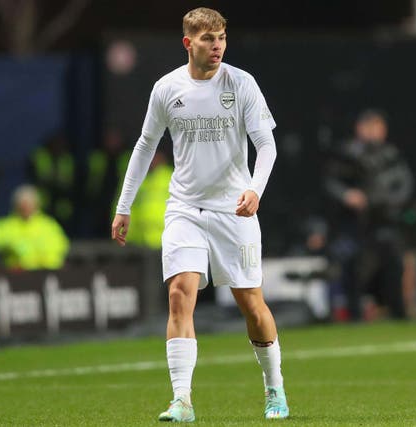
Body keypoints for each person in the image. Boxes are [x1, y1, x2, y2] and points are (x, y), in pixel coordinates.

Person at [111, 7, 289, 422]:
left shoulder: (241, 83)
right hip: (185, 208)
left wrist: (254, 190)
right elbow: (144, 147)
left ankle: (274, 387)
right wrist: (124, 206)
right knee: (179, 295)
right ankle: (182, 401)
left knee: (251, 303)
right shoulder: (166, 88)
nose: (218, 47)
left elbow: (267, 146)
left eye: (222, 38)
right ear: (188, 43)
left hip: (234, 210)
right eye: (209, 39)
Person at [324, 109, 414, 321]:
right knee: (354, 268)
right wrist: (347, 195)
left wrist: (389, 201)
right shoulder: (348, 154)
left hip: (385, 221)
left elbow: (405, 184)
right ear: (359, 128)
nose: (373, 132)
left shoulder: (391, 155)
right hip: (356, 224)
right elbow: (331, 183)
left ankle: (398, 313)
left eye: (378, 127)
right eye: (369, 127)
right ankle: (354, 315)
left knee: (394, 266)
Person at [0, 184, 69, 271]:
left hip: (45, 272)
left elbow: (60, 246)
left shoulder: (48, 225)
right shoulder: (7, 224)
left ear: (36, 204)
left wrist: (40, 260)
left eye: (29, 203)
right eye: (22, 203)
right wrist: (12, 245)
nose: (25, 207)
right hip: (15, 273)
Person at [27, 132, 76, 234]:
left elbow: (72, 183)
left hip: (62, 204)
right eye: (56, 143)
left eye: (61, 144)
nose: (58, 146)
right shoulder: (39, 156)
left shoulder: (67, 159)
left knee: (61, 231)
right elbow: (32, 177)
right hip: (43, 203)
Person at [125, 150, 173, 249]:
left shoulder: (171, 177)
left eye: (155, 156)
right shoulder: (142, 178)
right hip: (143, 239)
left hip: (166, 238)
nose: (152, 160)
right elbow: (134, 208)